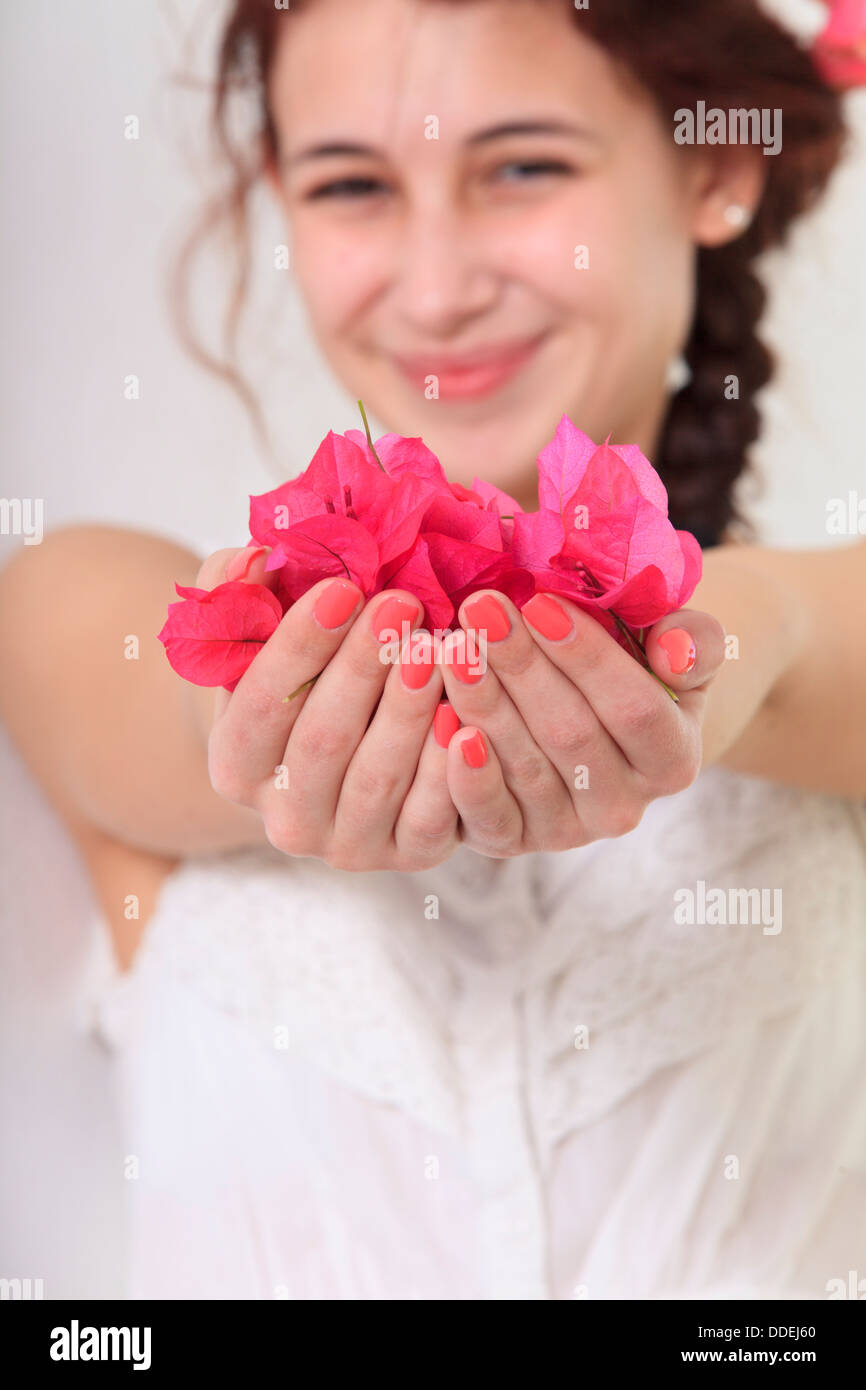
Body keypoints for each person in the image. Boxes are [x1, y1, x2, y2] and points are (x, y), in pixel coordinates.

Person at [1, 0, 864, 1300]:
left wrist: (717, 637)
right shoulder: (76, 601)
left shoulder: (810, 655)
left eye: (522, 165)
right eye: (351, 184)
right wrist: (274, 711)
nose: (437, 285)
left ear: (713, 171)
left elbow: (802, 639)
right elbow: (156, 702)